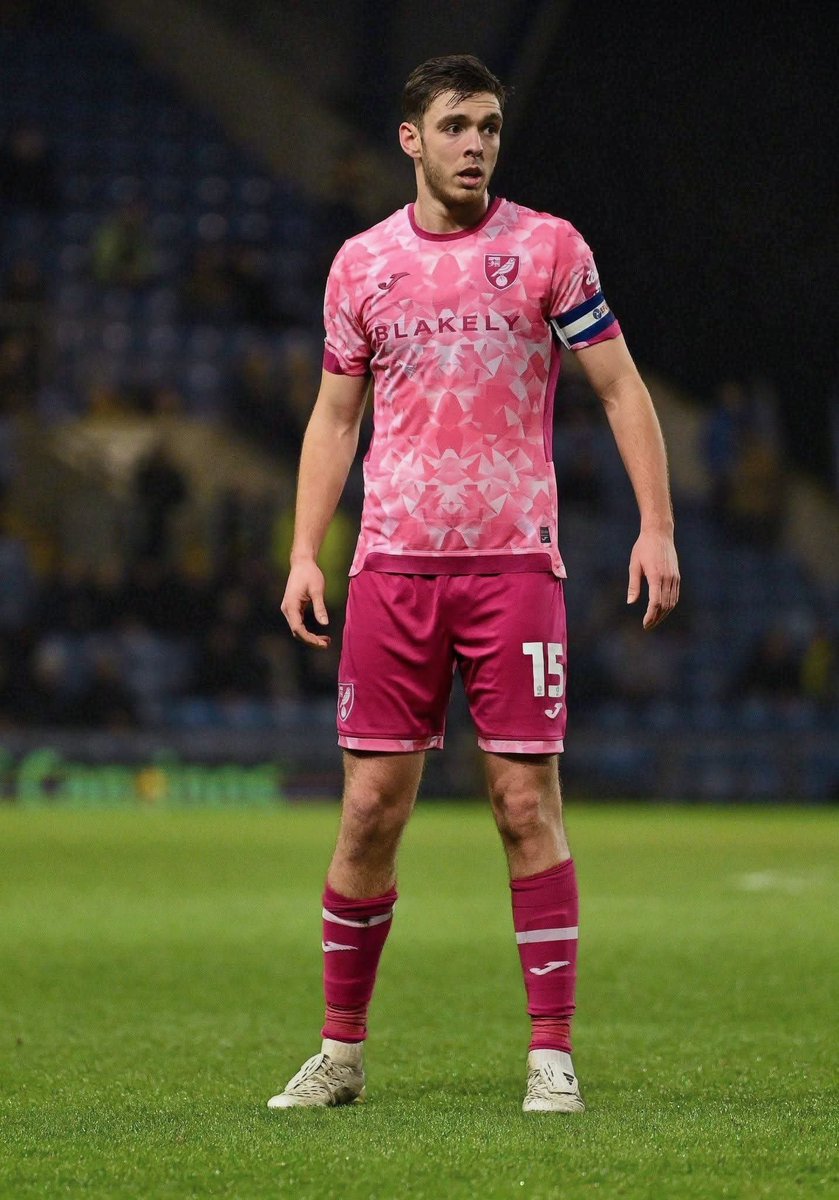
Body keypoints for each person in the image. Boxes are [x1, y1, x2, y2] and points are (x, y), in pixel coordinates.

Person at [270, 55, 679, 1114]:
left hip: (512, 565)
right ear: (411, 138)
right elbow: (332, 417)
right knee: (367, 810)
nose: (475, 145)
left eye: (489, 127)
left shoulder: (547, 248)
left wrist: (655, 525)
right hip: (395, 565)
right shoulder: (361, 265)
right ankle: (340, 1054)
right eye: (455, 126)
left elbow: (620, 386)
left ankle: (550, 1055)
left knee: (521, 803)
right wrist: (305, 550)